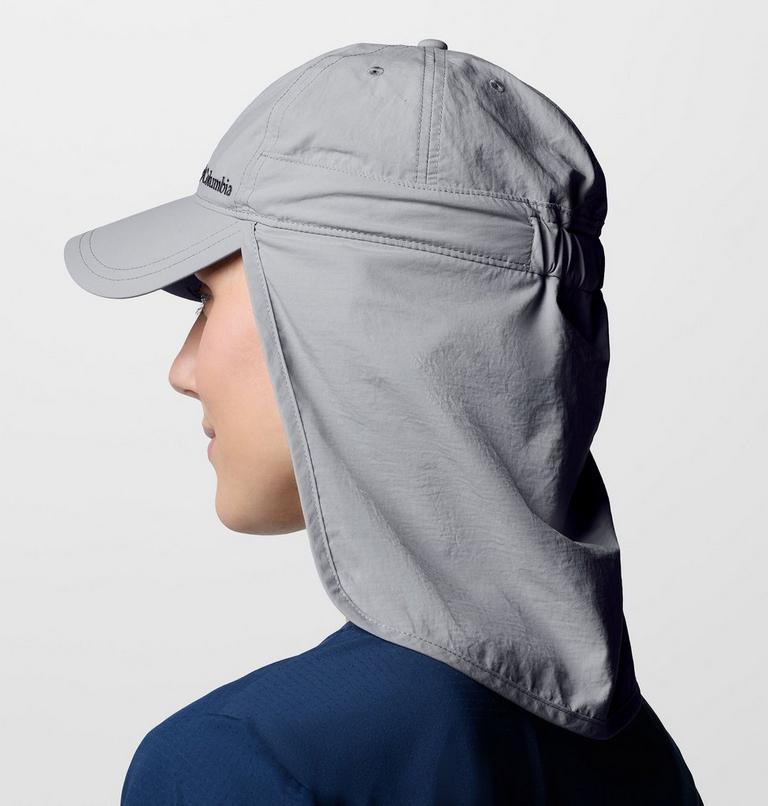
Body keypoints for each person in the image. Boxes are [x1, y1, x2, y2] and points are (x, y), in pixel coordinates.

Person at [63, 39, 704, 804]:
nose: (183, 369)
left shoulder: (241, 763)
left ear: (352, 329)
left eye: (209, 298)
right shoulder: (641, 758)